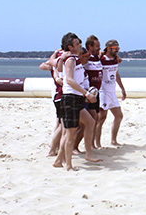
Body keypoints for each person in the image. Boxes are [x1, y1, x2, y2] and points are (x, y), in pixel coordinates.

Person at [53, 33, 101, 171]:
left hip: (76, 98)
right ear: (70, 47)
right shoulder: (70, 60)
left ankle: (85, 154)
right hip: (70, 98)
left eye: (80, 42)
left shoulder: (75, 59)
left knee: (90, 122)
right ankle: (68, 165)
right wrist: (86, 93)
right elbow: (69, 80)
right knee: (70, 134)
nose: (80, 44)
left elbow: (62, 71)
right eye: (77, 43)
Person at [97, 39, 127, 147]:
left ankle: (113, 140)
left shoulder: (115, 60)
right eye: (116, 48)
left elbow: (116, 74)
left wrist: (122, 88)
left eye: (118, 48)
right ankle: (97, 143)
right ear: (109, 48)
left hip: (112, 91)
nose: (118, 50)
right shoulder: (101, 59)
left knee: (119, 116)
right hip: (103, 91)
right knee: (101, 118)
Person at [39, 49, 63, 156]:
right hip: (58, 94)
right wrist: (55, 53)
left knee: (59, 121)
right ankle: (53, 146)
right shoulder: (57, 62)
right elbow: (42, 65)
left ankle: (55, 145)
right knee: (61, 123)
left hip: (58, 94)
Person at [84, 35, 104, 148]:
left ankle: (92, 144)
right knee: (91, 119)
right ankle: (88, 145)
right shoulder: (86, 58)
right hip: (89, 94)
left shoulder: (98, 57)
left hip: (97, 93)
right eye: (97, 46)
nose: (99, 48)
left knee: (96, 119)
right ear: (90, 46)